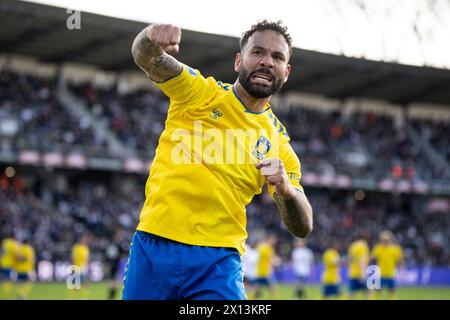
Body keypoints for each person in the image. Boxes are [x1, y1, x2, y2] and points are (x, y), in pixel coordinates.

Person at [122, 20, 313, 300]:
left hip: (218, 264)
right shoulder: (200, 93)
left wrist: (285, 189)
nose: (267, 62)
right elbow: (146, 57)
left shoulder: (279, 144)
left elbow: (303, 225)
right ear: (239, 61)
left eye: (277, 57)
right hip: (154, 246)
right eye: (257, 52)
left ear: (287, 71)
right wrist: (150, 37)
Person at [370, 230, 404, 300]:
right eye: (382, 239)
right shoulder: (378, 247)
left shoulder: (396, 249)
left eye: (385, 239)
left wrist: (402, 270)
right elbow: (372, 258)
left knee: (392, 292)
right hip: (380, 274)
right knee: (376, 292)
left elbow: (400, 260)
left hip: (391, 274)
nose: (384, 241)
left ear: (390, 239)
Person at [253, 234, 280, 299]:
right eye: (273, 240)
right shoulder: (268, 249)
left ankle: (256, 298)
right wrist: (277, 263)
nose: (274, 242)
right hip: (265, 272)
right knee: (272, 288)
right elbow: (272, 260)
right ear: (269, 239)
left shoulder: (260, 246)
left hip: (259, 271)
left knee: (258, 288)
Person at [105, 230, 129, 300]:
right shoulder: (118, 244)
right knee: (115, 282)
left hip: (112, 264)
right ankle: (112, 297)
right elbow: (123, 253)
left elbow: (107, 255)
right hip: (116, 264)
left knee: (113, 282)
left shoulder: (111, 244)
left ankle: (111, 297)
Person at [347, 232, 369, 299]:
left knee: (351, 293)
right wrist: (363, 274)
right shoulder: (363, 246)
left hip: (352, 273)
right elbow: (362, 260)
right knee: (368, 293)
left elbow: (350, 260)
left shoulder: (352, 246)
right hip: (360, 273)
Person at [70, 234, 90, 299]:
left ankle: (84, 297)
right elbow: (73, 257)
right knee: (74, 284)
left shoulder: (86, 248)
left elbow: (87, 258)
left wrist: (86, 266)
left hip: (83, 268)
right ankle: (71, 297)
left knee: (84, 283)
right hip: (76, 267)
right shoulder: (76, 247)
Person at [0, 234, 18, 300]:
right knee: (10, 280)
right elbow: (16, 254)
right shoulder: (13, 243)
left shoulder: (5, 242)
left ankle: (5, 295)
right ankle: (5, 296)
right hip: (10, 265)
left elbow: (2, 252)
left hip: (3, 263)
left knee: (5, 280)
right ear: (14, 237)